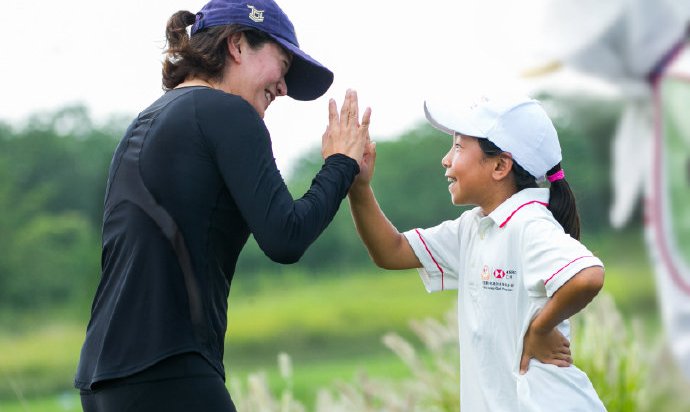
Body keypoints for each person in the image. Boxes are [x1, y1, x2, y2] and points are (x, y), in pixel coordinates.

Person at [74, 0, 370, 411]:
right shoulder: (226, 111)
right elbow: (286, 236)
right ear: (236, 45)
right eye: (282, 64)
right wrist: (341, 164)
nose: (283, 87)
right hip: (169, 369)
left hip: (102, 379)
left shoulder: (148, 119)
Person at [348, 94, 607, 411]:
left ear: (500, 165)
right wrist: (358, 186)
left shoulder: (528, 223)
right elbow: (392, 251)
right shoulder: (474, 228)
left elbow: (588, 276)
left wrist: (540, 330)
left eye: (458, 147)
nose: (446, 160)